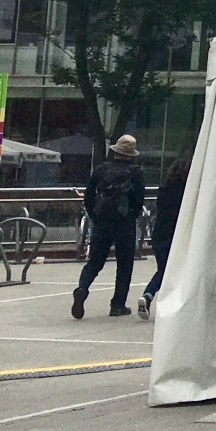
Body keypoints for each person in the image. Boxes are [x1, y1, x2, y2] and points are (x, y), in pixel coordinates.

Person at [73, 135, 145, 319]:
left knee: (95, 262)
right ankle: (117, 305)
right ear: (131, 154)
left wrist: (95, 216)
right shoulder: (136, 172)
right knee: (124, 265)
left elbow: (88, 197)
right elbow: (138, 201)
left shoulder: (101, 170)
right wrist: (131, 216)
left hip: (102, 222)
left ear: (115, 150)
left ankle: (82, 288)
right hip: (125, 224)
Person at [137, 157, 189, 320]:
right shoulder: (188, 191)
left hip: (160, 233)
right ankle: (150, 295)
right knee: (174, 271)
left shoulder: (164, 189)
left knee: (163, 269)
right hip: (177, 234)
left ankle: (149, 295)